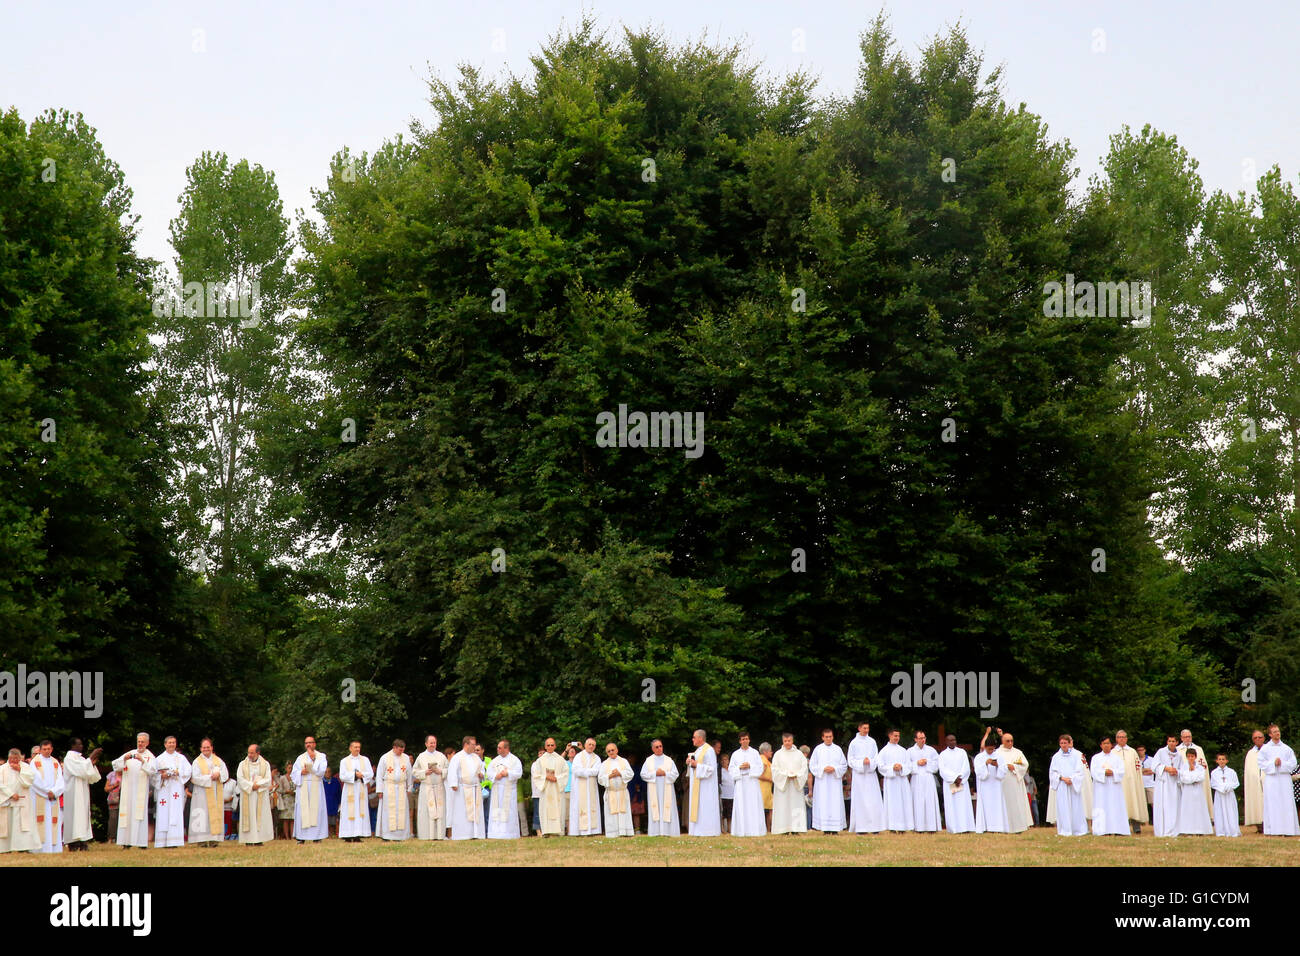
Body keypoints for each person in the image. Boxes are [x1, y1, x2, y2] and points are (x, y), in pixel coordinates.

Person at [112, 733, 154, 848]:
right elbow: (115, 765)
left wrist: (143, 761)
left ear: (147, 743)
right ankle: (126, 842)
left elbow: (153, 771)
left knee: (140, 815)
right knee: (127, 814)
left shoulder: (150, 756)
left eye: (142, 742)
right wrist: (124, 759)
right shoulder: (130, 753)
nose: (140, 744)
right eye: (139, 741)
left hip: (140, 792)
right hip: (128, 790)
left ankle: (141, 842)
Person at [150, 736, 190, 849]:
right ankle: (162, 842)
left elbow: (188, 771)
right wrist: (161, 776)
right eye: (169, 743)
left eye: (173, 742)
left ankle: (175, 841)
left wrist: (178, 772)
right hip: (164, 790)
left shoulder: (181, 758)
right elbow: (153, 775)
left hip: (176, 789)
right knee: (163, 814)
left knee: (176, 813)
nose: (171, 744)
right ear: (165, 744)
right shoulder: (159, 759)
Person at [61, 739, 101, 851]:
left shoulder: (82, 759)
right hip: (73, 792)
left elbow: (92, 777)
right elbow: (80, 770)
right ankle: (73, 843)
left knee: (82, 816)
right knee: (74, 816)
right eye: (79, 744)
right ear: (73, 745)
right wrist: (91, 758)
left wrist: (91, 764)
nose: (81, 746)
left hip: (83, 792)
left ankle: (83, 841)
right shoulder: (69, 758)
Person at [1260, 723, 1299, 836]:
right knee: (1273, 803)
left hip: (1284, 779)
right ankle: (1274, 829)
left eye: (1278, 731)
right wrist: (1273, 763)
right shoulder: (1265, 749)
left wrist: (1282, 764)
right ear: (1270, 734)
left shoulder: (1287, 749)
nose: (1278, 733)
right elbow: (1261, 763)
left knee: (1286, 802)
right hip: (1272, 779)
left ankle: (1288, 829)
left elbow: (1293, 764)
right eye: (1275, 731)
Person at [188, 737, 229, 845]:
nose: (206, 749)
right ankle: (200, 840)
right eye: (204, 747)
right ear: (200, 749)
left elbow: (225, 774)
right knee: (202, 815)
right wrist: (210, 777)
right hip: (201, 793)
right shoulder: (197, 762)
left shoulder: (218, 760)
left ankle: (214, 839)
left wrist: (219, 775)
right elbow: (194, 777)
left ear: (211, 747)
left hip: (215, 792)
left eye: (208, 747)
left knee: (214, 814)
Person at [989, 728, 1031, 833]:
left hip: (1015, 782)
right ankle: (1002, 827)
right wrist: (1004, 766)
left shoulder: (1018, 752)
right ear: (1002, 741)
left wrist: (1015, 767)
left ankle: (1018, 827)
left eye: (1012, 740)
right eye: (1007, 741)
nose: (1010, 743)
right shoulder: (997, 753)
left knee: (1016, 804)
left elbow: (1025, 764)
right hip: (1002, 783)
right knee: (1003, 804)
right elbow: (992, 765)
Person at [846, 721, 884, 834]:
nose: (866, 730)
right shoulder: (854, 743)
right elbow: (850, 760)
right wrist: (862, 762)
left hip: (870, 775)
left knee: (873, 800)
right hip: (859, 776)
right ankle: (861, 827)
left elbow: (876, 757)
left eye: (867, 728)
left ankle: (874, 827)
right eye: (864, 728)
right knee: (860, 800)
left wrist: (870, 762)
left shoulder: (872, 742)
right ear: (859, 728)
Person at [26, 740, 64, 854]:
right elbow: (35, 780)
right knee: (41, 822)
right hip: (40, 797)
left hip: (52, 798)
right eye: (44, 749)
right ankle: (39, 849)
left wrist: (55, 791)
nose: (47, 751)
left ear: (52, 749)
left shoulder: (55, 762)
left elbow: (60, 779)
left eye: (49, 749)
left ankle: (54, 849)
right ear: (41, 750)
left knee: (53, 822)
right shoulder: (35, 762)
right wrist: (48, 791)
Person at [809, 728, 847, 833]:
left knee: (835, 803)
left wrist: (835, 769)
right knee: (823, 802)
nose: (829, 738)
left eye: (830, 736)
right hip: (823, 782)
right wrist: (823, 769)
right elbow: (812, 766)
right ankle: (824, 827)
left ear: (833, 737)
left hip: (835, 782)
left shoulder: (838, 749)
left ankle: (835, 828)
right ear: (822, 737)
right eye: (826, 737)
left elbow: (844, 765)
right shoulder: (818, 749)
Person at [727, 732, 766, 837]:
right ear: (740, 741)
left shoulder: (754, 753)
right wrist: (739, 768)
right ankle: (741, 830)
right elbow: (730, 769)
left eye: (746, 739)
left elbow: (760, 767)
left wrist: (750, 766)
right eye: (743, 739)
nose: (745, 741)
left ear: (749, 740)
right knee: (741, 805)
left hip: (752, 781)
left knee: (753, 805)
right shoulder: (735, 754)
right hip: (741, 782)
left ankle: (754, 830)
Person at [291, 735, 328, 843]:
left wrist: (313, 759)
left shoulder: (321, 756)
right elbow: (294, 774)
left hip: (316, 785)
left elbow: (321, 771)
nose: (308, 744)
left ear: (314, 744)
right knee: (303, 811)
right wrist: (300, 773)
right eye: (306, 743)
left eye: (310, 742)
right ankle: (301, 837)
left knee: (317, 810)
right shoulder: (300, 758)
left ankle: (317, 837)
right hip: (303, 786)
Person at [639, 739, 680, 837]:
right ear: (653, 749)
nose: (659, 748)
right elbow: (643, 774)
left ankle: (669, 831)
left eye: (660, 746)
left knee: (668, 808)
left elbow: (675, 774)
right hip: (654, 789)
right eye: (656, 747)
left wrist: (665, 773)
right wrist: (655, 774)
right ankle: (655, 832)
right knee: (655, 808)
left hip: (667, 789)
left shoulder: (668, 760)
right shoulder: (649, 760)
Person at [448, 735, 486, 840]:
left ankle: (476, 834)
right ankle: (463, 834)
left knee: (476, 812)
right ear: (466, 744)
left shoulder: (476, 757)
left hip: (475, 788)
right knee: (462, 813)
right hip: (462, 789)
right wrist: (454, 784)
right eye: (473, 744)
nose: (475, 747)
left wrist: (481, 774)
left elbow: (482, 769)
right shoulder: (457, 757)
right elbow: (452, 771)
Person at [0, 749, 38, 853]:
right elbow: (0, 784)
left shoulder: (25, 767)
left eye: (16, 759)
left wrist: (20, 770)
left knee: (22, 826)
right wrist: (11, 794)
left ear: (20, 758)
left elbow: (29, 781)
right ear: (9, 758)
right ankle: (5, 848)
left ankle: (23, 847)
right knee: (7, 825)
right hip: (7, 800)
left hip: (22, 802)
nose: (14, 761)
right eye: (12, 759)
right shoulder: (2, 769)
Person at [769, 733, 808, 835]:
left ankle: (796, 829)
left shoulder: (799, 754)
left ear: (792, 741)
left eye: (789, 741)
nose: (787, 743)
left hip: (795, 785)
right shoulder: (778, 754)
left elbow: (804, 769)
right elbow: (774, 770)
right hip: (784, 785)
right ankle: (783, 829)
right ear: (783, 741)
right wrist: (786, 775)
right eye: (785, 741)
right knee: (783, 806)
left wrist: (797, 775)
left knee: (796, 806)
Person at [685, 728, 721, 836]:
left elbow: (711, 769)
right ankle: (698, 830)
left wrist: (696, 765)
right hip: (698, 786)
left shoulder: (709, 750)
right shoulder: (698, 751)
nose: (692, 739)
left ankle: (708, 830)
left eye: (694, 737)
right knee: (699, 807)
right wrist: (689, 763)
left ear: (700, 738)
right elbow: (694, 767)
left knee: (705, 807)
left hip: (706, 787)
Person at [1090, 736, 1128, 836]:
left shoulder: (1117, 758)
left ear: (1111, 745)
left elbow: (1121, 771)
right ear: (1101, 745)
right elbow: (1093, 771)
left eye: (1108, 743)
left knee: (1115, 806)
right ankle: (1101, 830)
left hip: (1114, 787)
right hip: (1101, 787)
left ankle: (1118, 829)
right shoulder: (1096, 758)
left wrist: (1113, 772)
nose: (1106, 745)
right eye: (1104, 743)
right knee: (1101, 806)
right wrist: (1104, 773)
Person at [932, 734, 971, 833]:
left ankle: (965, 827)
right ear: (946, 742)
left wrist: (960, 777)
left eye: (954, 740)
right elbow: (942, 770)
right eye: (950, 740)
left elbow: (966, 766)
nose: (952, 742)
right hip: (951, 782)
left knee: (962, 804)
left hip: (962, 782)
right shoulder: (943, 754)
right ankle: (954, 828)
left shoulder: (962, 752)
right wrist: (954, 778)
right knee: (952, 805)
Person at [374, 739, 412, 841]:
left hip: (401, 787)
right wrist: (380, 790)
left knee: (401, 811)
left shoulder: (406, 758)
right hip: (388, 787)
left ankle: (401, 836)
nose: (401, 752)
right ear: (394, 747)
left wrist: (409, 787)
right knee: (388, 811)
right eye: (400, 750)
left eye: (403, 750)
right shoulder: (385, 758)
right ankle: (387, 836)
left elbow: (409, 774)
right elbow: (379, 775)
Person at [1048, 735, 1086, 836]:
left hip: (1073, 785)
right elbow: (1052, 773)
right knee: (1063, 807)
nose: (1063, 745)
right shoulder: (1056, 757)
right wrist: (1062, 778)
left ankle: (1078, 829)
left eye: (1065, 743)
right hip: (1062, 785)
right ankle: (1065, 829)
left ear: (1069, 743)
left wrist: (1072, 779)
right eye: (1061, 743)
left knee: (1075, 807)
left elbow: (1080, 771)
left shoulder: (1076, 756)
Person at [485, 739, 523, 839]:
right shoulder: (495, 761)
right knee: (496, 810)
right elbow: (488, 773)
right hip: (497, 790)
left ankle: (510, 833)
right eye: (498, 747)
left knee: (509, 811)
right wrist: (495, 776)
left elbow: (519, 773)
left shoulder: (515, 760)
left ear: (506, 748)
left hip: (509, 790)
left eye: (500, 748)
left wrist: (508, 773)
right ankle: (496, 833)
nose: (497, 749)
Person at [236, 744, 274, 845]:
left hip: (260, 794)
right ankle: (248, 840)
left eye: (252, 753)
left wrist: (258, 785)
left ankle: (259, 840)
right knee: (249, 816)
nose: (249, 755)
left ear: (258, 753)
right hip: (248, 794)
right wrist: (251, 785)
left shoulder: (265, 764)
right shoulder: (242, 764)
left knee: (259, 816)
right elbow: (239, 778)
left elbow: (268, 779)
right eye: (249, 752)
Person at [413, 734, 448, 841]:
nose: (433, 744)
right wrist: (425, 772)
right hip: (426, 788)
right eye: (431, 742)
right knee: (426, 812)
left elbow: (448, 769)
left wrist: (440, 771)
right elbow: (414, 771)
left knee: (440, 811)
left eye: (434, 742)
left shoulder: (441, 756)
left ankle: (439, 835)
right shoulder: (421, 756)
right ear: (426, 744)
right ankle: (426, 835)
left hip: (439, 788)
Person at [531, 737, 568, 837]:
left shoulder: (560, 760)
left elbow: (565, 773)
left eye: (552, 745)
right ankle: (546, 831)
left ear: (555, 746)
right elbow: (536, 775)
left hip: (557, 788)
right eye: (548, 745)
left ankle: (558, 831)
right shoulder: (540, 760)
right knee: (545, 809)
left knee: (558, 808)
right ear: (545, 746)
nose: (550, 747)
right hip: (546, 789)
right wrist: (546, 777)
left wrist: (556, 778)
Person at [877, 728, 913, 832]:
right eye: (895, 736)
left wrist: (901, 767)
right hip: (891, 781)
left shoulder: (903, 750)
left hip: (902, 781)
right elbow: (880, 766)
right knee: (892, 803)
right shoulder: (884, 751)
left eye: (898, 736)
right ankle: (892, 826)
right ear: (890, 736)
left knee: (903, 802)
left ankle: (903, 826)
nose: (897, 738)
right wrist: (892, 767)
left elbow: (909, 765)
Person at [1112, 730, 1148, 834]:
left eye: (1123, 737)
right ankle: (1120, 827)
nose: (1121, 739)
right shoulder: (1113, 752)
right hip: (1119, 783)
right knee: (1120, 804)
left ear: (1126, 738)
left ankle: (1136, 826)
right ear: (1116, 739)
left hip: (1131, 783)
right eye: (1119, 737)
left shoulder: (1132, 752)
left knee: (1133, 802)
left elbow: (1137, 768)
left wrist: (1136, 781)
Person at [338, 740, 374, 842]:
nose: (357, 749)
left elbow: (370, 773)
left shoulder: (365, 760)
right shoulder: (344, 761)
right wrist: (354, 775)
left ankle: (358, 834)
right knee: (349, 811)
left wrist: (361, 775)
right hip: (349, 788)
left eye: (358, 747)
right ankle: (347, 835)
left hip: (360, 788)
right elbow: (342, 776)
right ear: (350, 748)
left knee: (359, 810)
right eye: (355, 747)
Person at [568, 737, 603, 836]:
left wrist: (584, 771)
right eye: (589, 744)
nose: (591, 746)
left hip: (591, 787)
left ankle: (593, 831)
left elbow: (597, 771)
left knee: (592, 806)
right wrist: (588, 771)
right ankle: (579, 831)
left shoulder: (597, 758)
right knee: (579, 806)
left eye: (593, 745)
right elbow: (575, 770)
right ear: (585, 744)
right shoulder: (578, 756)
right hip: (579, 787)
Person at [907, 731, 940, 832]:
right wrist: (916, 763)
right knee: (917, 802)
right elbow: (907, 765)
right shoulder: (910, 751)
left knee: (929, 801)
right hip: (916, 779)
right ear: (915, 739)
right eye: (920, 738)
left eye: (924, 738)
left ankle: (931, 827)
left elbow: (937, 764)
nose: (922, 740)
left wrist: (927, 762)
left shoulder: (931, 750)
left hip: (928, 778)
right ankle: (918, 827)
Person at [1176, 748, 1213, 835]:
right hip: (1187, 792)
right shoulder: (1183, 767)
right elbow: (1183, 778)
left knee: (1198, 810)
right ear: (1186, 757)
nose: (1190, 758)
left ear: (1195, 757)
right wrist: (1193, 776)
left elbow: (1201, 778)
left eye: (1192, 756)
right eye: (1188, 756)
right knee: (1188, 810)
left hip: (1198, 792)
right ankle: (1187, 830)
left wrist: (1191, 774)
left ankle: (1200, 830)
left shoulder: (1200, 767)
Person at [1176, 729, 1213, 816]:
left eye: (1189, 737)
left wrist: (1196, 775)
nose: (1187, 739)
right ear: (1181, 738)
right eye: (1185, 737)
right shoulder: (1177, 750)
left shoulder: (1198, 749)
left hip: (1197, 781)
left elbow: (1203, 766)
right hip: (1184, 781)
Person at [1150, 735, 1181, 838]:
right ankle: (1162, 831)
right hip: (1163, 784)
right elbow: (1154, 766)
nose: (1171, 743)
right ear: (1167, 742)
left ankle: (1173, 830)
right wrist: (1166, 769)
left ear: (1177, 742)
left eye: (1173, 741)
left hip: (1173, 784)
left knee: (1173, 807)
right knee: (1163, 806)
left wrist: (1176, 771)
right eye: (1169, 741)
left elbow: (1182, 769)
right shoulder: (1161, 752)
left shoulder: (1179, 755)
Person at [973, 740, 1006, 833]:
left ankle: (997, 827)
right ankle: (985, 827)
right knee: (985, 804)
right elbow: (978, 772)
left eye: (992, 749)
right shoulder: (979, 757)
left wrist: (997, 765)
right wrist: (985, 764)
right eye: (989, 749)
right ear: (985, 747)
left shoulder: (999, 756)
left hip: (996, 785)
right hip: (985, 786)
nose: (991, 751)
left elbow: (1004, 770)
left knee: (997, 804)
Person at [1210, 752, 1240, 838]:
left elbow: (1236, 783)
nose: (1221, 761)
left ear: (1226, 761)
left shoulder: (1231, 772)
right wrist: (1221, 788)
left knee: (1231, 811)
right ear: (1216, 761)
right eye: (1219, 759)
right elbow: (1213, 784)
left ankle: (1232, 830)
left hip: (1229, 795)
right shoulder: (1214, 772)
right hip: (1220, 795)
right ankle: (1221, 831)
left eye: (1223, 759)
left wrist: (1228, 788)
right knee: (1220, 812)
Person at [1242, 729, 1265, 832]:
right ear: (1253, 740)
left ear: (1264, 738)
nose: (1258, 739)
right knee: (1256, 802)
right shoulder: (1251, 753)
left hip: (1266, 781)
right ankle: (1259, 826)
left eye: (1260, 737)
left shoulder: (1268, 750)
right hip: (1255, 783)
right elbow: (1249, 769)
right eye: (1255, 738)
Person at [275, 762, 295, 840]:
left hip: (293, 799)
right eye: (289, 768)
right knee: (286, 819)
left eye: (291, 768)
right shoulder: (282, 778)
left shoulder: (294, 777)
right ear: (286, 769)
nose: (290, 769)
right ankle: (287, 836)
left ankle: (292, 836)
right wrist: (286, 791)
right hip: (286, 799)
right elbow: (280, 789)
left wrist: (293, 792)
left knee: (292, 819)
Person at [758, 742, 774, 832]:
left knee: (769, 809)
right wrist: (771, 780)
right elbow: (760, 775)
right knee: (764, 810)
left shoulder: (767, 761)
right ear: (765, 751)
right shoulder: (763, 761)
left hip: (767, 789)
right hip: (762, 789)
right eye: (770, 751)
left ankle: (769, 829)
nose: (771, 752)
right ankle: (763, 829)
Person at [322, 766, 342, 837]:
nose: (327, 773)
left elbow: (339, 793)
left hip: (334, 804)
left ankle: (334, 834)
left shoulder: (335, 781)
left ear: (331, 772)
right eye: (325, 772)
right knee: (325, 821)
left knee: (334, 821)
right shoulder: (321, 782)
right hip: (325, 805)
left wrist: (340, 803)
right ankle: (326, 835)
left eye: (329, 771)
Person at [1137, 745, 1156, 814]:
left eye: (1142, 750)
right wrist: (1145, 770)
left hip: (1150, 784)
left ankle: (1156, 821)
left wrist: (1142, 771)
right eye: (1139, 750)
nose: (1140, 752)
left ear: (1145, 750)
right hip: (1140, 785)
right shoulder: (1136, 760)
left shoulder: (1151, 759)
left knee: (1153, 803)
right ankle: (1145, 823)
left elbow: (1154, 770)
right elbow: (1135, 771)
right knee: (1142, 804)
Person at [718, 753, 734, 832]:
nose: (725, 761)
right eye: (723, 760)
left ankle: (729, 828)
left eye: (726, 759)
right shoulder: (720, 771)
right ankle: (722, 828)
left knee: (730, 813)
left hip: (732, 794)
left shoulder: (731, 770)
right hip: (724, 794)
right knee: (724, 812)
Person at [105, 766, 121, 844]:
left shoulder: (126, 774)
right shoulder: (111, 775)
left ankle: (121, 838)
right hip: (113, 800)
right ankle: (111, 838)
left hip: (123, 799)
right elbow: (106, 788)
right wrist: (114, 785)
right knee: (113, 819)